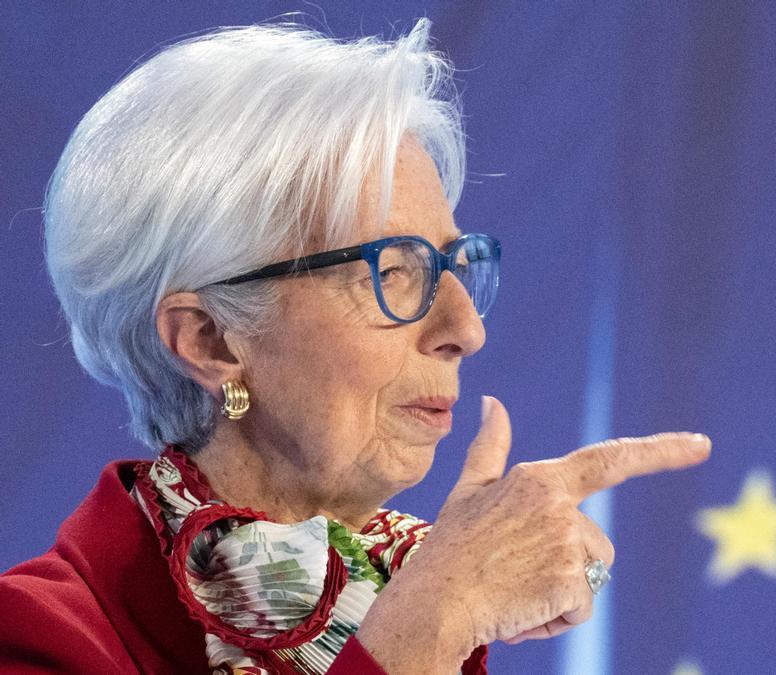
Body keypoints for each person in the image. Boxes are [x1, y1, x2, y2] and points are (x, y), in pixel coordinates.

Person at [0, 19, 711, 674]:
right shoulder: (35, 636)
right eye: (395, 271)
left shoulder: (401, 587)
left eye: (453, 264)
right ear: (211, 339)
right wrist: (435, 618)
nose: (466, 329)